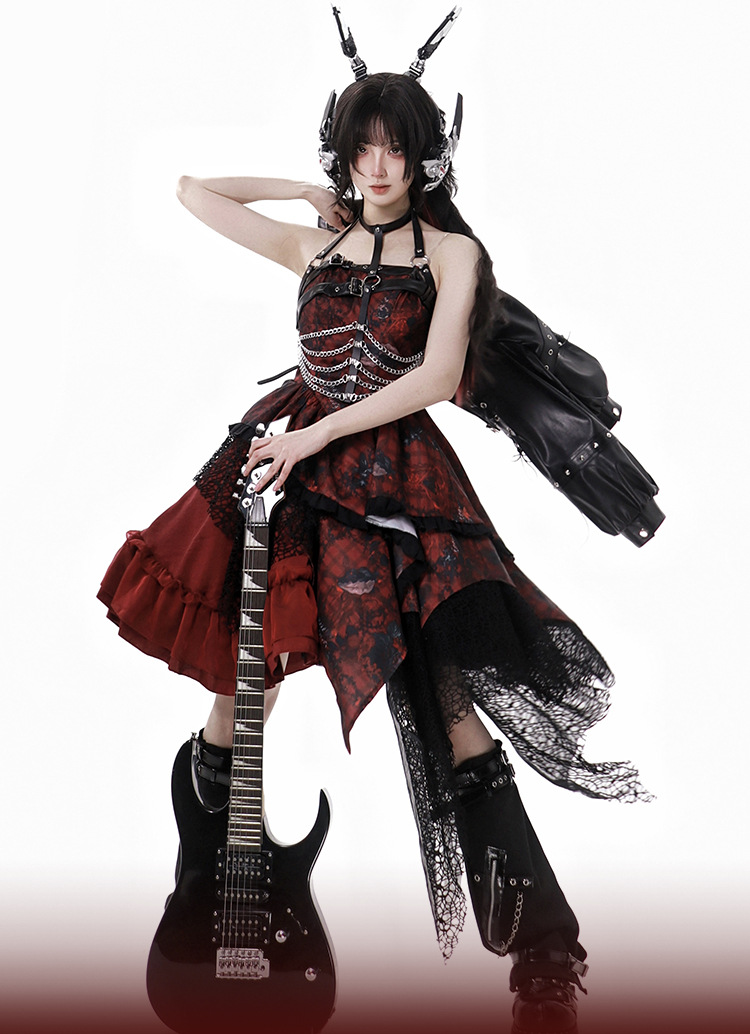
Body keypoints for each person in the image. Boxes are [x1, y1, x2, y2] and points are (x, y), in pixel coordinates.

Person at [98, 17, 649, 1033]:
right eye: (363, 148)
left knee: (448, 705)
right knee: (244, 680)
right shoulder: (317, 239)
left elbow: (437, 376)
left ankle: (545, 959)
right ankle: (209, 894)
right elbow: (193, 193)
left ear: (426, 155)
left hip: (396, 484)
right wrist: (303, 193)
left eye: (396, 147)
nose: (379, 167)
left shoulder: (453, 253)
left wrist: (317, 436)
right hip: (285, 470)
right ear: (344, 154)